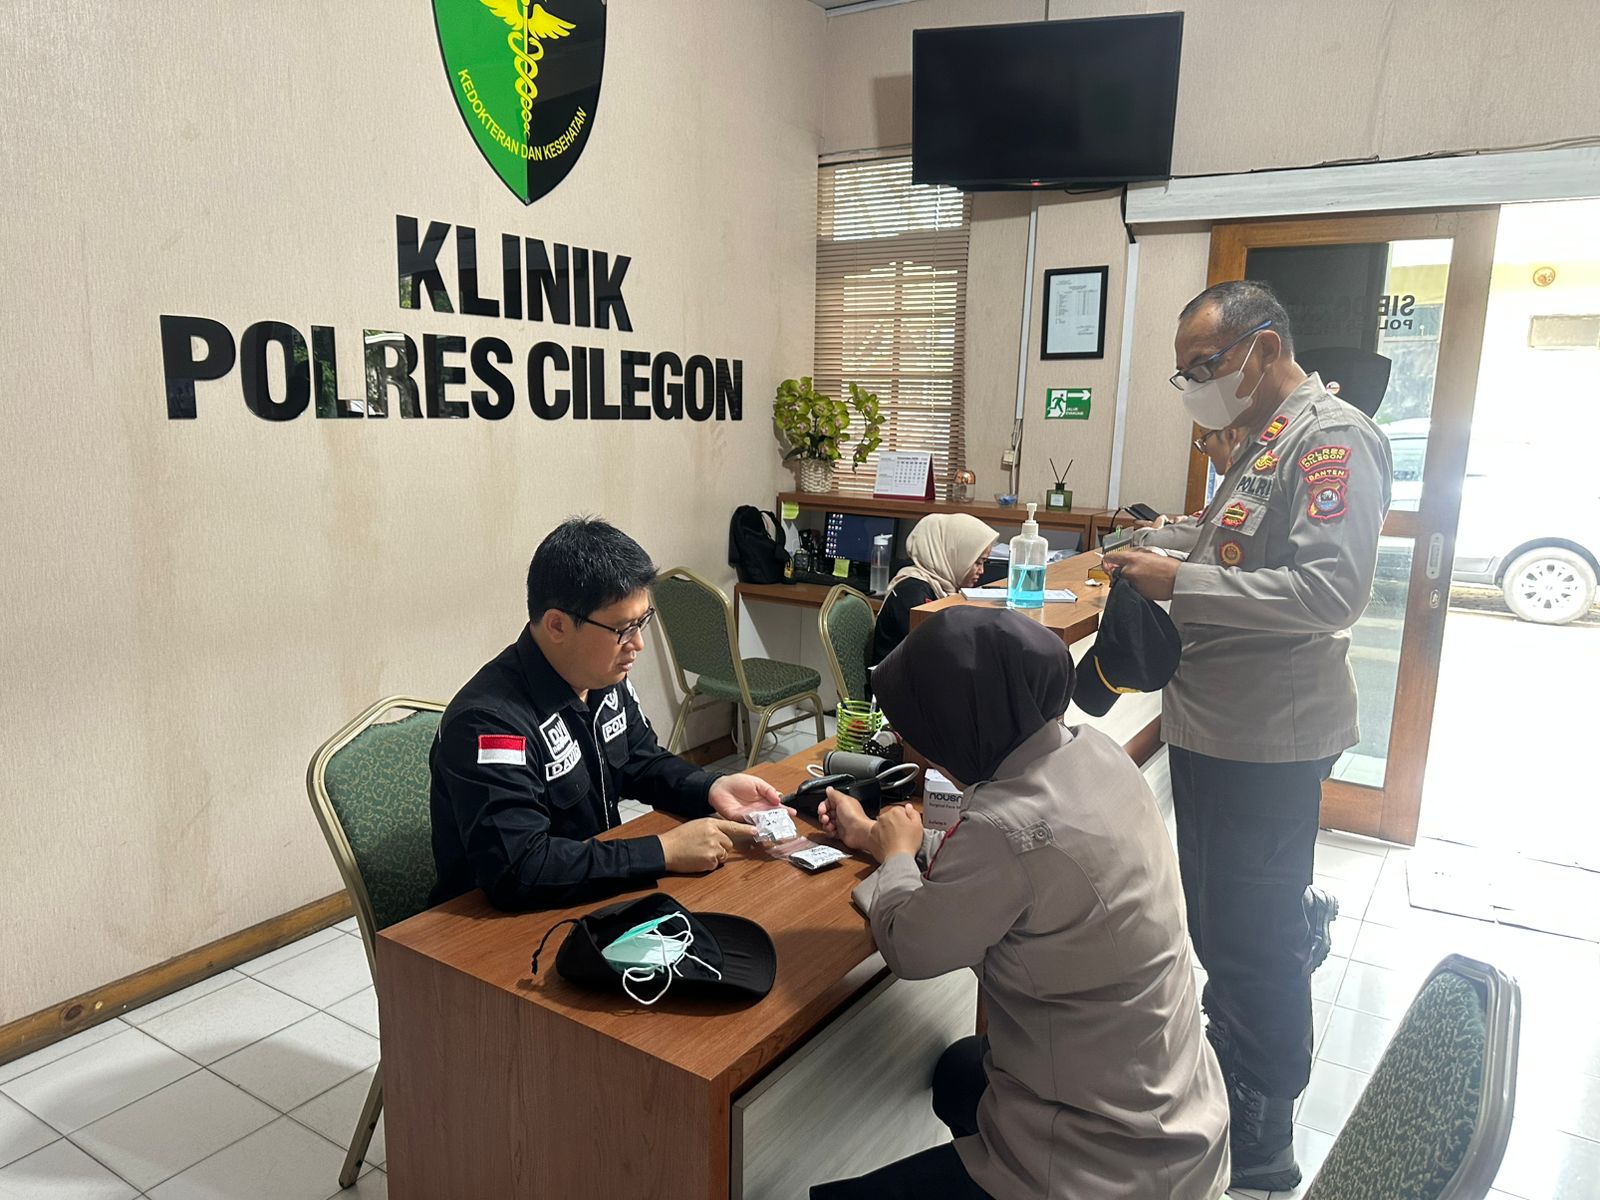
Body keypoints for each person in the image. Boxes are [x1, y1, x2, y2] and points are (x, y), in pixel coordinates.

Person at [1104, 280, 1391, 1192]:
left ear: (1263, 349)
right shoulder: (1266, 438)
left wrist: (1178, 583)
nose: (1195, 386)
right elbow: (1240, 541)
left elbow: (1329, 592)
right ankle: (1244, 1030)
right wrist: (1171, 539)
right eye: (1186, 372)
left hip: (1269, 733)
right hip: (1217, 722)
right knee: (1226, 914)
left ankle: (1265, 1130)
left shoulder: (1332, 440)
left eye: (1204, 366)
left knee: (1249, 934)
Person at [811, 607, 1229, 1200]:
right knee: (961, 1072)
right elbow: (1027, 869)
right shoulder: (1095, 753)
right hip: (1180, 1118)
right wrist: (878, 837)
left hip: (1106, 1169)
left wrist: (898, 856)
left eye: (916, 732)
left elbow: (909, 944)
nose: (912, 747)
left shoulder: (1004, 830)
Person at [429, 517, 788, 910]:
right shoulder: (489, 723)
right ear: (557, 626)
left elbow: (641, 761)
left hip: (591, 892)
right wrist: (662, 851)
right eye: (623, 629)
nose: (638, 644)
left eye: (643, 622)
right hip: (498, 923)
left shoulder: (600, 677)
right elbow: (521, 869)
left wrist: (709, 788)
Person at [869, 513, 998, 667]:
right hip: (900, 679)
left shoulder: (942, 587)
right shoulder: (912, 594)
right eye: (977, 562)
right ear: (953, 554)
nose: (981, 571)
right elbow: (935, 652)